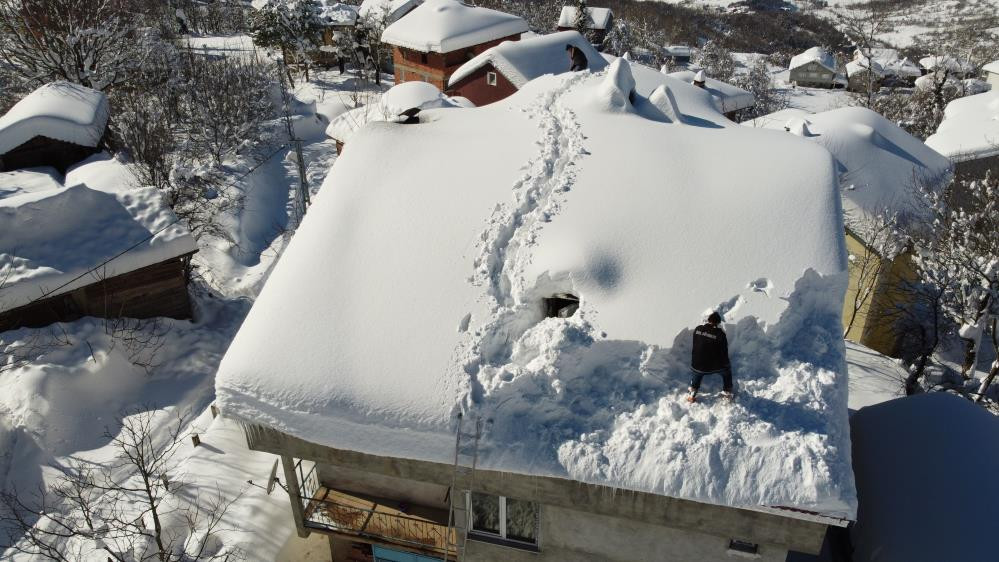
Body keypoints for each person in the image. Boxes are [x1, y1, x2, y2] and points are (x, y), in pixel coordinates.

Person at [688, 311, 733, 403]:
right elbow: (724, 352)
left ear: (708, 320)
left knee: (697, 374)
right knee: (727, 373)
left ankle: (692, 392)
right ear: (718, 323)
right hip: (713, 366)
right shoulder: (720, 334)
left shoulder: (698, 329)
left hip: (695, 365)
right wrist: (726, 364)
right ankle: (727, 392)